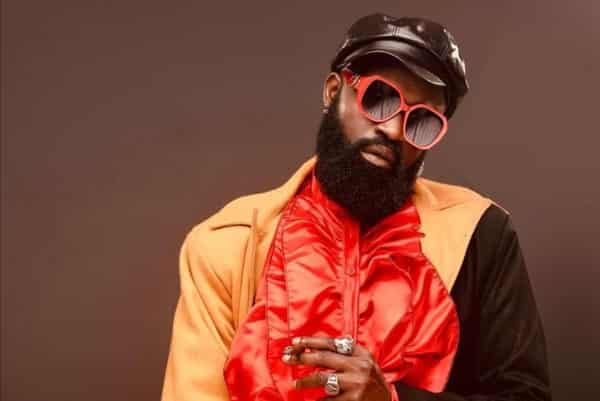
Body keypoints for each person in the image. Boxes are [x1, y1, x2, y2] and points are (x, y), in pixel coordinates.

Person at [161, 13, 552, 401]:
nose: (393, 130)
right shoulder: (227, 245)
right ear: (334, 92)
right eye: (379, 98)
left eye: (421, 121)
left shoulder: (480, 234)